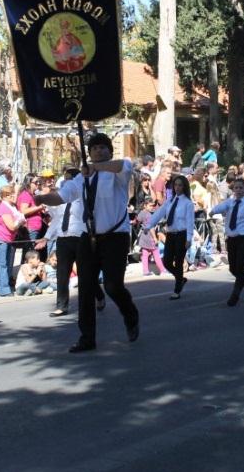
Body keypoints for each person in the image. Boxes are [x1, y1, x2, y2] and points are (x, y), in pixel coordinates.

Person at [36, 132, 140, 353]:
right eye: (95, 148)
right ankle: (87, 337)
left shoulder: (117, 172)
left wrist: (96, 167)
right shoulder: (81, 177)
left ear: (110, 151)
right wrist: (43, 198)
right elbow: (63, 196)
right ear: (89, 153)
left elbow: (123, 165)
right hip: (88, 237)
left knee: (112, 285)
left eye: (104, 147)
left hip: (115, 236)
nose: (99, 151)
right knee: (86, 287)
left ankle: (130, 314)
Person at [38, 168, 90, 317]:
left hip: (80, 237)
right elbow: (57, 220)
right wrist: (47, 237)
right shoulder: (61, 200)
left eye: (68, 179)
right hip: (63, 238)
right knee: (62, 273)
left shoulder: (82, 196)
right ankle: (62, 305)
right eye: (64, 179)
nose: (65, 181)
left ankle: (97, 296)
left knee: (84, 272)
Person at [211, 178, 244, 306]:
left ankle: (235, 295)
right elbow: (221, 206)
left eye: (241, 188)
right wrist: (213, 211)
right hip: (232, 239)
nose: (238, 190)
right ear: (233, 190)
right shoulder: (230, 202)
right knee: (233, 268)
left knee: (241, 268)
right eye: (236, 188)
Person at [145, 174, 194, 300]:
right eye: (175, 185)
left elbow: (190, 222)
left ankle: (177, 289)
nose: (177, 187)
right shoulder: (170, 201)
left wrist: (189, 239)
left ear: (184, 187)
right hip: (171, 235)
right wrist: (149, 225)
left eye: (180, 185)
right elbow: (159, 213)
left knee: (178, 262)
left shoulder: (188, 203)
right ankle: (180, 278)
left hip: (182, 234)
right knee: (166, 261)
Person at [0, 185, 26, 297]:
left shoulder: (12, 206)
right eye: (9, 194)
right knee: (2, 263)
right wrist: (20, 222)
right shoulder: (4, 208)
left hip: (9, 238)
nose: (13, 195)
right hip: (0, 237)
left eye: (13, 193)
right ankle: (3, 289)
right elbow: (11, 226)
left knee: (8, 262)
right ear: (4, 196)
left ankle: (6, 285)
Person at [135, 197, 168, 277]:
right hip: (150, 237)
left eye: (152, 206)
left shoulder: (142, 213)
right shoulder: (149, 215)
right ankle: (162, 270)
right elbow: (152, 228)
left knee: (145, 254)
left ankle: (145, 271)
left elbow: (138, 220)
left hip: (143, 236)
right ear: (145, 206)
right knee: (156, 253)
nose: (152, 207)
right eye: (150, 206)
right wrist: (155, 238)